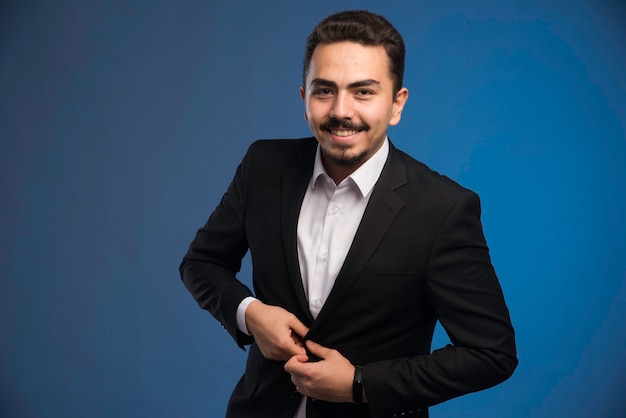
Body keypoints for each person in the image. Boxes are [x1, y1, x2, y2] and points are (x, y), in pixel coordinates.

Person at [180, 9, 517, 418]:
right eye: (325, 90)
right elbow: (202, 262)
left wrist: (361, 385)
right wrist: (250, 314)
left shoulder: (443, 208)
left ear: (396, 104)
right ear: (304, 99)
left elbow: (491, 353)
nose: (341, 110)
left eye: (363, 92)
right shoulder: (262, 166)